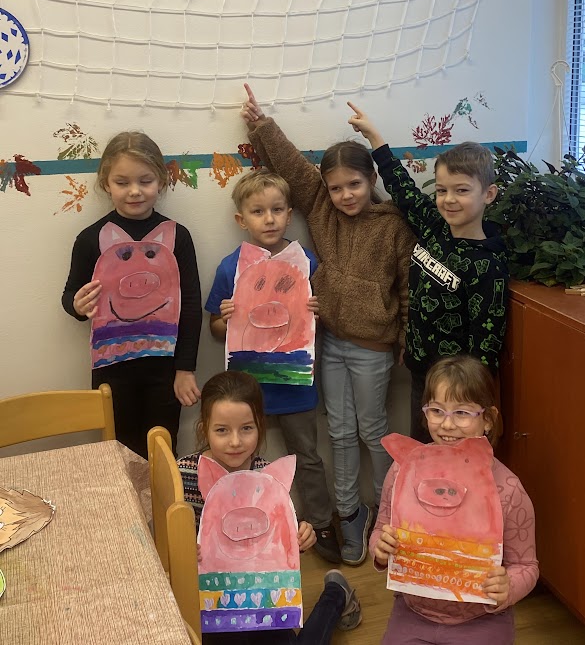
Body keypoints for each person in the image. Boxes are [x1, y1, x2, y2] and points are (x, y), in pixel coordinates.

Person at [241, 84, 416, 565]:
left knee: (373, 431)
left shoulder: (393, 224)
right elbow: (292, 165)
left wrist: (403, 336)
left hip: (374, 347)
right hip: (329, 343)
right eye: (336, 187)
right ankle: (349, 513)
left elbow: (407, 286)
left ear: (370, 179)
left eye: (353, 185)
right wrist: (262, 125)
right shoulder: (320, 206)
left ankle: (389, 513)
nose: (344, 195)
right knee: (338, 432)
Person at [347, 103, 509, 443]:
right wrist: (374, 137)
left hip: (458, 394)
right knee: (421, 454)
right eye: (442, 190)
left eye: (462, 190)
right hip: (421, 375)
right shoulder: (434, 227)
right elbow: (401, 187)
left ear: (488, 194)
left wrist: (467, 404)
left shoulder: (488, 266)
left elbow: (485, 347)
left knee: (452, 460)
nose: (449, 199)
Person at [204, 169, 341, 564]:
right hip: (248, 391)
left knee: (307, 456)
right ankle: (242, 524)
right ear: (241, 219)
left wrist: (318, 310)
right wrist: (225, 318)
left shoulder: (306, 262)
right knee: (241, 458)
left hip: (296, 383)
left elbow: (321, 323)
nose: (269, 219)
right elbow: (214, 330)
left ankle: (321, 522)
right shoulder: (231, 268)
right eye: (258, 211)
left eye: (277, 210)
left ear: (289, 214)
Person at [177, 371, 362, 644]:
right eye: (222, 430)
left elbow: (280, 539)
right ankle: (335, 594)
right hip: (209, 601)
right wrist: (182, 550)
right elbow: (166, 545)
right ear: (205, 429)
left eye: (246, 428)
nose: (235, 441)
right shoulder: (184, 474)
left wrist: (301, 538)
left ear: (260, 427)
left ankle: (335, 595)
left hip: (264, 598)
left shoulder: (268, 477)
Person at [370, 355, 538, 645]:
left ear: (488, 419)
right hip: (414, 612)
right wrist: (381, 549)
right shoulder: (403, 471)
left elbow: (527, 565)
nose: (447, 424)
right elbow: (379, 530)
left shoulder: (507, 489)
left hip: (482, 619)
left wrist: (508, 586)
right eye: (437, 410)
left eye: (462, 413)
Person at [61, 131, 202, 458]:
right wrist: (76, 305)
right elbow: (70, 295)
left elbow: (191, 306)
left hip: (164, 369)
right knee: (118, 452)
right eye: (122, 182)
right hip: (111, 370)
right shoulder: (90, 239)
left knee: (162, 450)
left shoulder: (178, 237)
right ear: (106, 183)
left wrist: (185, 369)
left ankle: (161, 495)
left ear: (161, 181)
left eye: (145, 181)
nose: (135, 191)